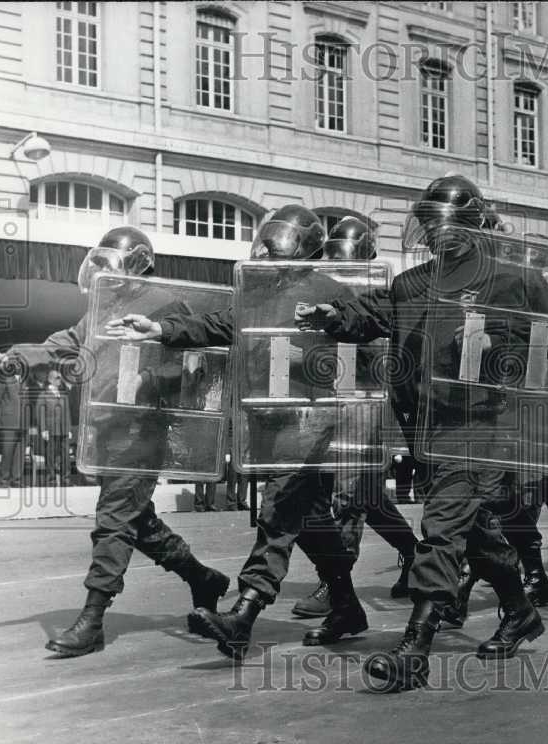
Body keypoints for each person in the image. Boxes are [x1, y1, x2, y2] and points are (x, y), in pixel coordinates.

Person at [296, 174, 545, 691]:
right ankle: (520, 611)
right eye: (428, 224)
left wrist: (499, 347)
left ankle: (416, 647)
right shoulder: (414, 282)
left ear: (473, 224)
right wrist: (332, 317)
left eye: (445, 224)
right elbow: (373, 314)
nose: (435, 234)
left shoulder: (513, 280)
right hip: (429, 426)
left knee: (441, 528)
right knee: (473, 536)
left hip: (486, 424)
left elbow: (546, 343)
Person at [107, 206, 369, 656]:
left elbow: (360, 352)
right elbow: (216, 325)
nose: (268, 245)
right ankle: (346, 606)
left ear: (303, 243)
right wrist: (159, 328)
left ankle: (243, 615)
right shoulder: (258, 290)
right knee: (306, 523)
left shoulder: (332, 291)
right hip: (267, 422)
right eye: (266, 237)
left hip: (309, 423)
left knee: (278, 512)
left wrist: (319, 349)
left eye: (278, 238)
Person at [0, 226, 230, 658]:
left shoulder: (168, 305)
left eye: (110, 262)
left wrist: (153, 374)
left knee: (113, 522)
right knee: (139, 523)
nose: (103, 271)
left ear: (137, 264)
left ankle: (93, 618)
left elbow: (197, 365)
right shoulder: (101, 308)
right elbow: (62, 347)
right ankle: (201, 577)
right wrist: (10, 357)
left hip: (144, 432)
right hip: (110, 432)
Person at [291, 217, 420, 619]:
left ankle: (336, 585)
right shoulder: (332, 289)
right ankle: (413, 553)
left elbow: (379, 358)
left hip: (365, 403)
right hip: (333, 401)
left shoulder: (378, 293)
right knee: (369, 498)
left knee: (348, 496)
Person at [36, 368, 72, 486]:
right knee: (50, 455)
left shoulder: (63, 395)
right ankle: (51, 479)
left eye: (60, 378)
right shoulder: (44, 395)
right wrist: (43, 429)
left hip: (63, 429)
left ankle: (65, 478)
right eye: (57, 378)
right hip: (50, 429)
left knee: (65, 454)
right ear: (51, 380)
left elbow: (67, 413)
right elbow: (40, 413)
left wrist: (69, 429)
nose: (60, 381)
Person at [0, 370, 27, 487]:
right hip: (8, 423)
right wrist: (4, 412)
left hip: (22, 423)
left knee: (19, 453)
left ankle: (16, 480)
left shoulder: (24, 381)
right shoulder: (5, 379)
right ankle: (3, 480)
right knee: (7, 452)